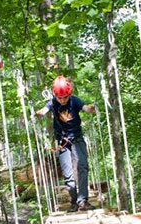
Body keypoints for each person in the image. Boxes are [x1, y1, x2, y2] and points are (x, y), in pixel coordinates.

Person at [36, 75, 96, 212]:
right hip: (62, 140)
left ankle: (83, 201)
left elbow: (85, 108)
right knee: (67, 172)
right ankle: (74, 201)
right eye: (59, 98)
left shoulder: (74, 101)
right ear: (55, 96)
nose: (62, 100)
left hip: (77, 137)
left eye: (65, 97)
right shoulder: (52, 102)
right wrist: (39, 113)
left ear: (70, 94)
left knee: (82, 166)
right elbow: (44, 110)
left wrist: (91, 109)